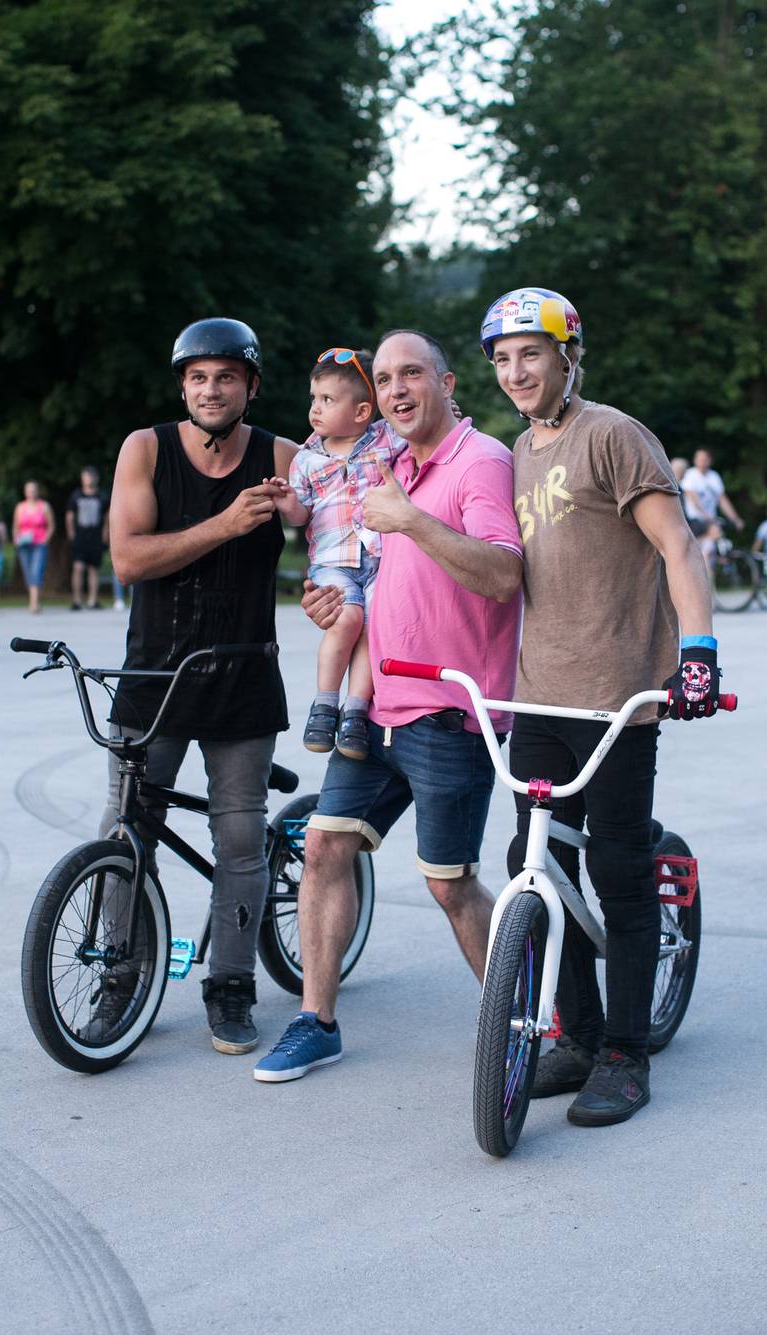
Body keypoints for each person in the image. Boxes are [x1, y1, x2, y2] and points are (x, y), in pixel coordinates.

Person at [254, 329, 523, 1083]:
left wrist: (412, 519)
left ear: (447, 381)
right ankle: (317, 1021)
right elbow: (368, 566)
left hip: (448, 711)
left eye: (412, 373)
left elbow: (503, 574)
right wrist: (333, 605)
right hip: (374, 705)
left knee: (448, 882)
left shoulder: (481, 461)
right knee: (323, 846)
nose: (398, 387)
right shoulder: (388, 462)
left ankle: (526, 1021)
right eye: (385, 376)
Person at [479, 286, 720, 1127]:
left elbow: (677, 546)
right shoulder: (516, 451)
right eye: (503, 359)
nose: (517, 372)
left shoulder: (612, 435)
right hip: (540, 692)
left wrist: (697, 654)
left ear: (567, 355)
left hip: (621, 693)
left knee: (617, 868)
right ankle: (576, 1036)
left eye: (531, 354)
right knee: (533, 859)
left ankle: (624, 1051)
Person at [99, 317, 299, 1056]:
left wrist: (328, 564)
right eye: (198, 377)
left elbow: (341, 524)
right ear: (182, 385)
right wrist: (225, 524)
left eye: (226, 376)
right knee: (125, 833)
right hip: (154, 674)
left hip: (243, 677)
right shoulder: (145, 448)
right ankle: (119, 975)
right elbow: (128, 558)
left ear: (250, 385)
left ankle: (232, 985)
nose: (211, 389)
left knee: (240, 835)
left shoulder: (281, 454)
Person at [266, 347, 406, 763]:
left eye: (327, 400)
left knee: (375, 624)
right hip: (332, 561)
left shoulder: (384, 438)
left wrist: (446, 408)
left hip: (380, 556)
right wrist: (285, 501)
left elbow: (423, 430)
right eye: (314, 398)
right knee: (348, 617)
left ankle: (356, 711)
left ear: (363, 411)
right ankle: (325, 704)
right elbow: (300, 516)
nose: (315, 408)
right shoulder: (306, 460)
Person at [681, 448, 744, 562]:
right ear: (695, 461)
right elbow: (694, 500)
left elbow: (722, 500)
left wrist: (735, 518)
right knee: (715, 531)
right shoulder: (691, 475)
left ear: (709, 461)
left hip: (710, 520)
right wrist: (707, 516)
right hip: (695, 519)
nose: (702, 462)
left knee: (715, 542)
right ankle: (692, 550)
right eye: (700, 459)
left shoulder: (714, 477)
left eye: (704, 460)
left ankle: (713, 560)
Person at [66, 466, 110, 609]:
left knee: (93, 568)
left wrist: (106, 533)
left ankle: (93, 600)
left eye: (91, 477)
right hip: (80, 536)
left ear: (96, 479)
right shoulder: (76, 496)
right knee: (78, 567)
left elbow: (107, 517)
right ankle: (77, 600)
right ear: (82, 479)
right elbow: (70, 516)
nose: (89, 479)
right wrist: (71, 533)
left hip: (96, 537)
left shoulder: (102, 497)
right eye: (86, 476)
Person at [12, 480, 55, 614]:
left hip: (39, 544)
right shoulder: (20, 507)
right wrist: (16, 540)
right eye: (28, 489)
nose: (31, 492)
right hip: (24, 545)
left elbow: (51, 525)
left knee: (37, 572)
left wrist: (45, 540)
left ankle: (34, 604)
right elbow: (15, 526)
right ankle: (35, 601)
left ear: (37, 491)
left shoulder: (44, 506)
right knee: (28, 574)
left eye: (33, 489)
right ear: (25, 492)